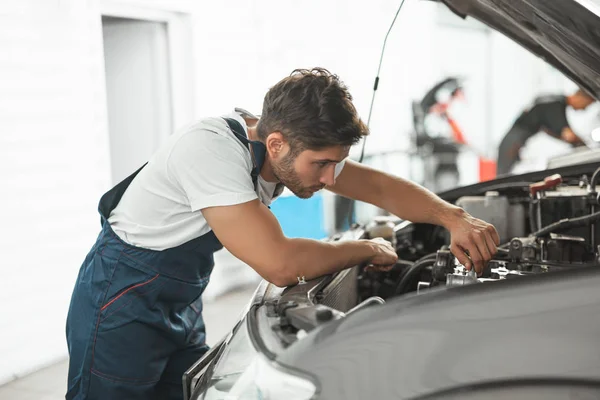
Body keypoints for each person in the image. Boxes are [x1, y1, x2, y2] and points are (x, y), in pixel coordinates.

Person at [66, 68, 499, 400]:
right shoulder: (210, 150)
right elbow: (281, 264)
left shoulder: (291, 144)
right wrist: (364, 248)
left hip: (177, 301)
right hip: (120, 301)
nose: (331, 179)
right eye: (322, 164)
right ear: (276, 145)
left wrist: (452, 217)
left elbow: (381, 187)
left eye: (337, 164)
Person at [497, 88, 596, 175]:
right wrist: (588, 150)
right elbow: (568, 135)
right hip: (513, 142)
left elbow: (551, 131)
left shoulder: (553, 100)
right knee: (503, 177)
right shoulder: (556, 105)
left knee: (507, 173)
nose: (584, 109)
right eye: (587, 104)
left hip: (514, 139)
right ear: (581, 98)